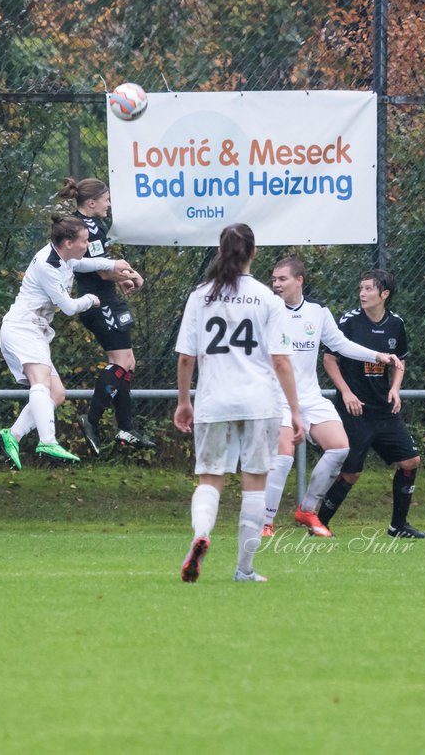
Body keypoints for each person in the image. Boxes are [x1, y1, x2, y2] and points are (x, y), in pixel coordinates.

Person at [174, 223, 303, 584]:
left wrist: (185, 401)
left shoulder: (200, 296)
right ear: (254, 253)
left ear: (220, 250)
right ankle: (244, 569)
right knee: (255, 483)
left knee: (209, 478)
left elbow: (187, 357)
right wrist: (295, 410)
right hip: (259, 400)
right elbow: (280, 360)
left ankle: (201, 534)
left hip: (214, 400)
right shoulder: (267, 298)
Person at [262, 257, 403, 537]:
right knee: (285, 456)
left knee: (339, 448)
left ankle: (307, 510)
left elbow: (340, 344)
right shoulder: (266, 310)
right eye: (274, 279)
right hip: (274, 396)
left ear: (299, 280)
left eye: (282, 279)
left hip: (310, 397)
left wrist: (378, 355)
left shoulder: (317, 311)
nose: (276, 284)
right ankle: (265, 522)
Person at [0, 214, 133, 467]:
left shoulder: (65, 258)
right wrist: (90, 299)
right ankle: (48, 440)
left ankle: (12, 435)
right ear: (68, 242)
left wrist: (114, 264)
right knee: (40, 382)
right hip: (22, 327)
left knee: (57, 393)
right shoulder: (47, 265)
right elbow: (70, 307)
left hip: (34, 329)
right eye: (84, 240)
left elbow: (84, 265)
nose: (88, 244)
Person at [317, 268, 425, 539]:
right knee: (351, 473)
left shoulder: (396, 324)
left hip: (384, 410)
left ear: (384, 294)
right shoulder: (349, 321)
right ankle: (318, 524)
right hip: (355, 410)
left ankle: (398, 526)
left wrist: (395, 390)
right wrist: (346, 393)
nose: (362, 293)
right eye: (361, 288)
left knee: (411, 461)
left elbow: (399, 362)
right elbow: (329, 359)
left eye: (368, 289)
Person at [60, 176, 154, 455]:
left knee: (126, 363)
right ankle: (92, 419)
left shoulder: (85, 223)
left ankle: (126, 427)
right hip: (102, 305)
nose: (109, 204)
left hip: (101, 299)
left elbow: (96, 268)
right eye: (106, 199)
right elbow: (101, 270)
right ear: (91, 202)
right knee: (122, 362)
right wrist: (133, 276)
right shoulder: (89, 227)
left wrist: (118, 278)